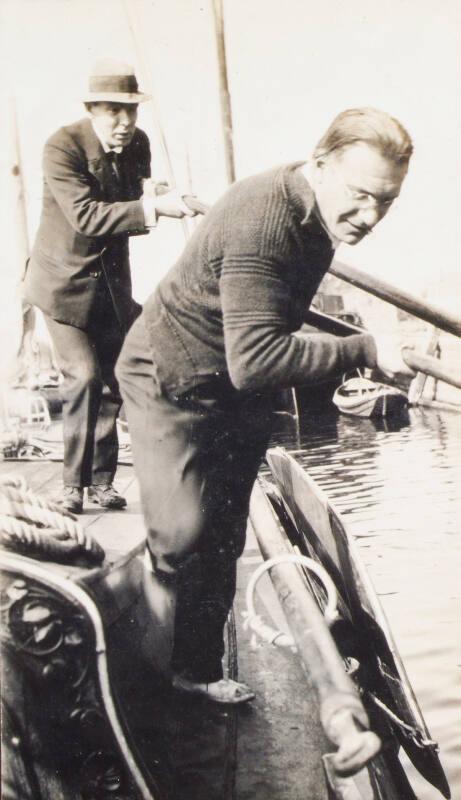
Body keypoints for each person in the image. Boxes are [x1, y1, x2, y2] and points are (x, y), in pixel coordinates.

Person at [116, 107, 413, 704]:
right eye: (361, 196)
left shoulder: (319, 216)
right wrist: (365, 348)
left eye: (386, 201)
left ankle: (194, 670)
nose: (371, 215)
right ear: (321, 164)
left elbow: (258, 345)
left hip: (231, 386)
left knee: (224, 532)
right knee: (180, 535)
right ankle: (136, 677)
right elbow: (256, 357)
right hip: (168, 374)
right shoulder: (267, 219)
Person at [23, 59, 195, 513]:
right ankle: (70, 489)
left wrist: (151, 191)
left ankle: (101, 482)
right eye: (112, 112)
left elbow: (135, 198)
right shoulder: (62, 147)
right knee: (82, 376)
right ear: (92, 110)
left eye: (130, 112)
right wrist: (154, 208)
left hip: (110, 289)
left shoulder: (137, 143)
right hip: (62, 285)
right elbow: (87, 217)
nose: (123, 123)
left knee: (115, 380)